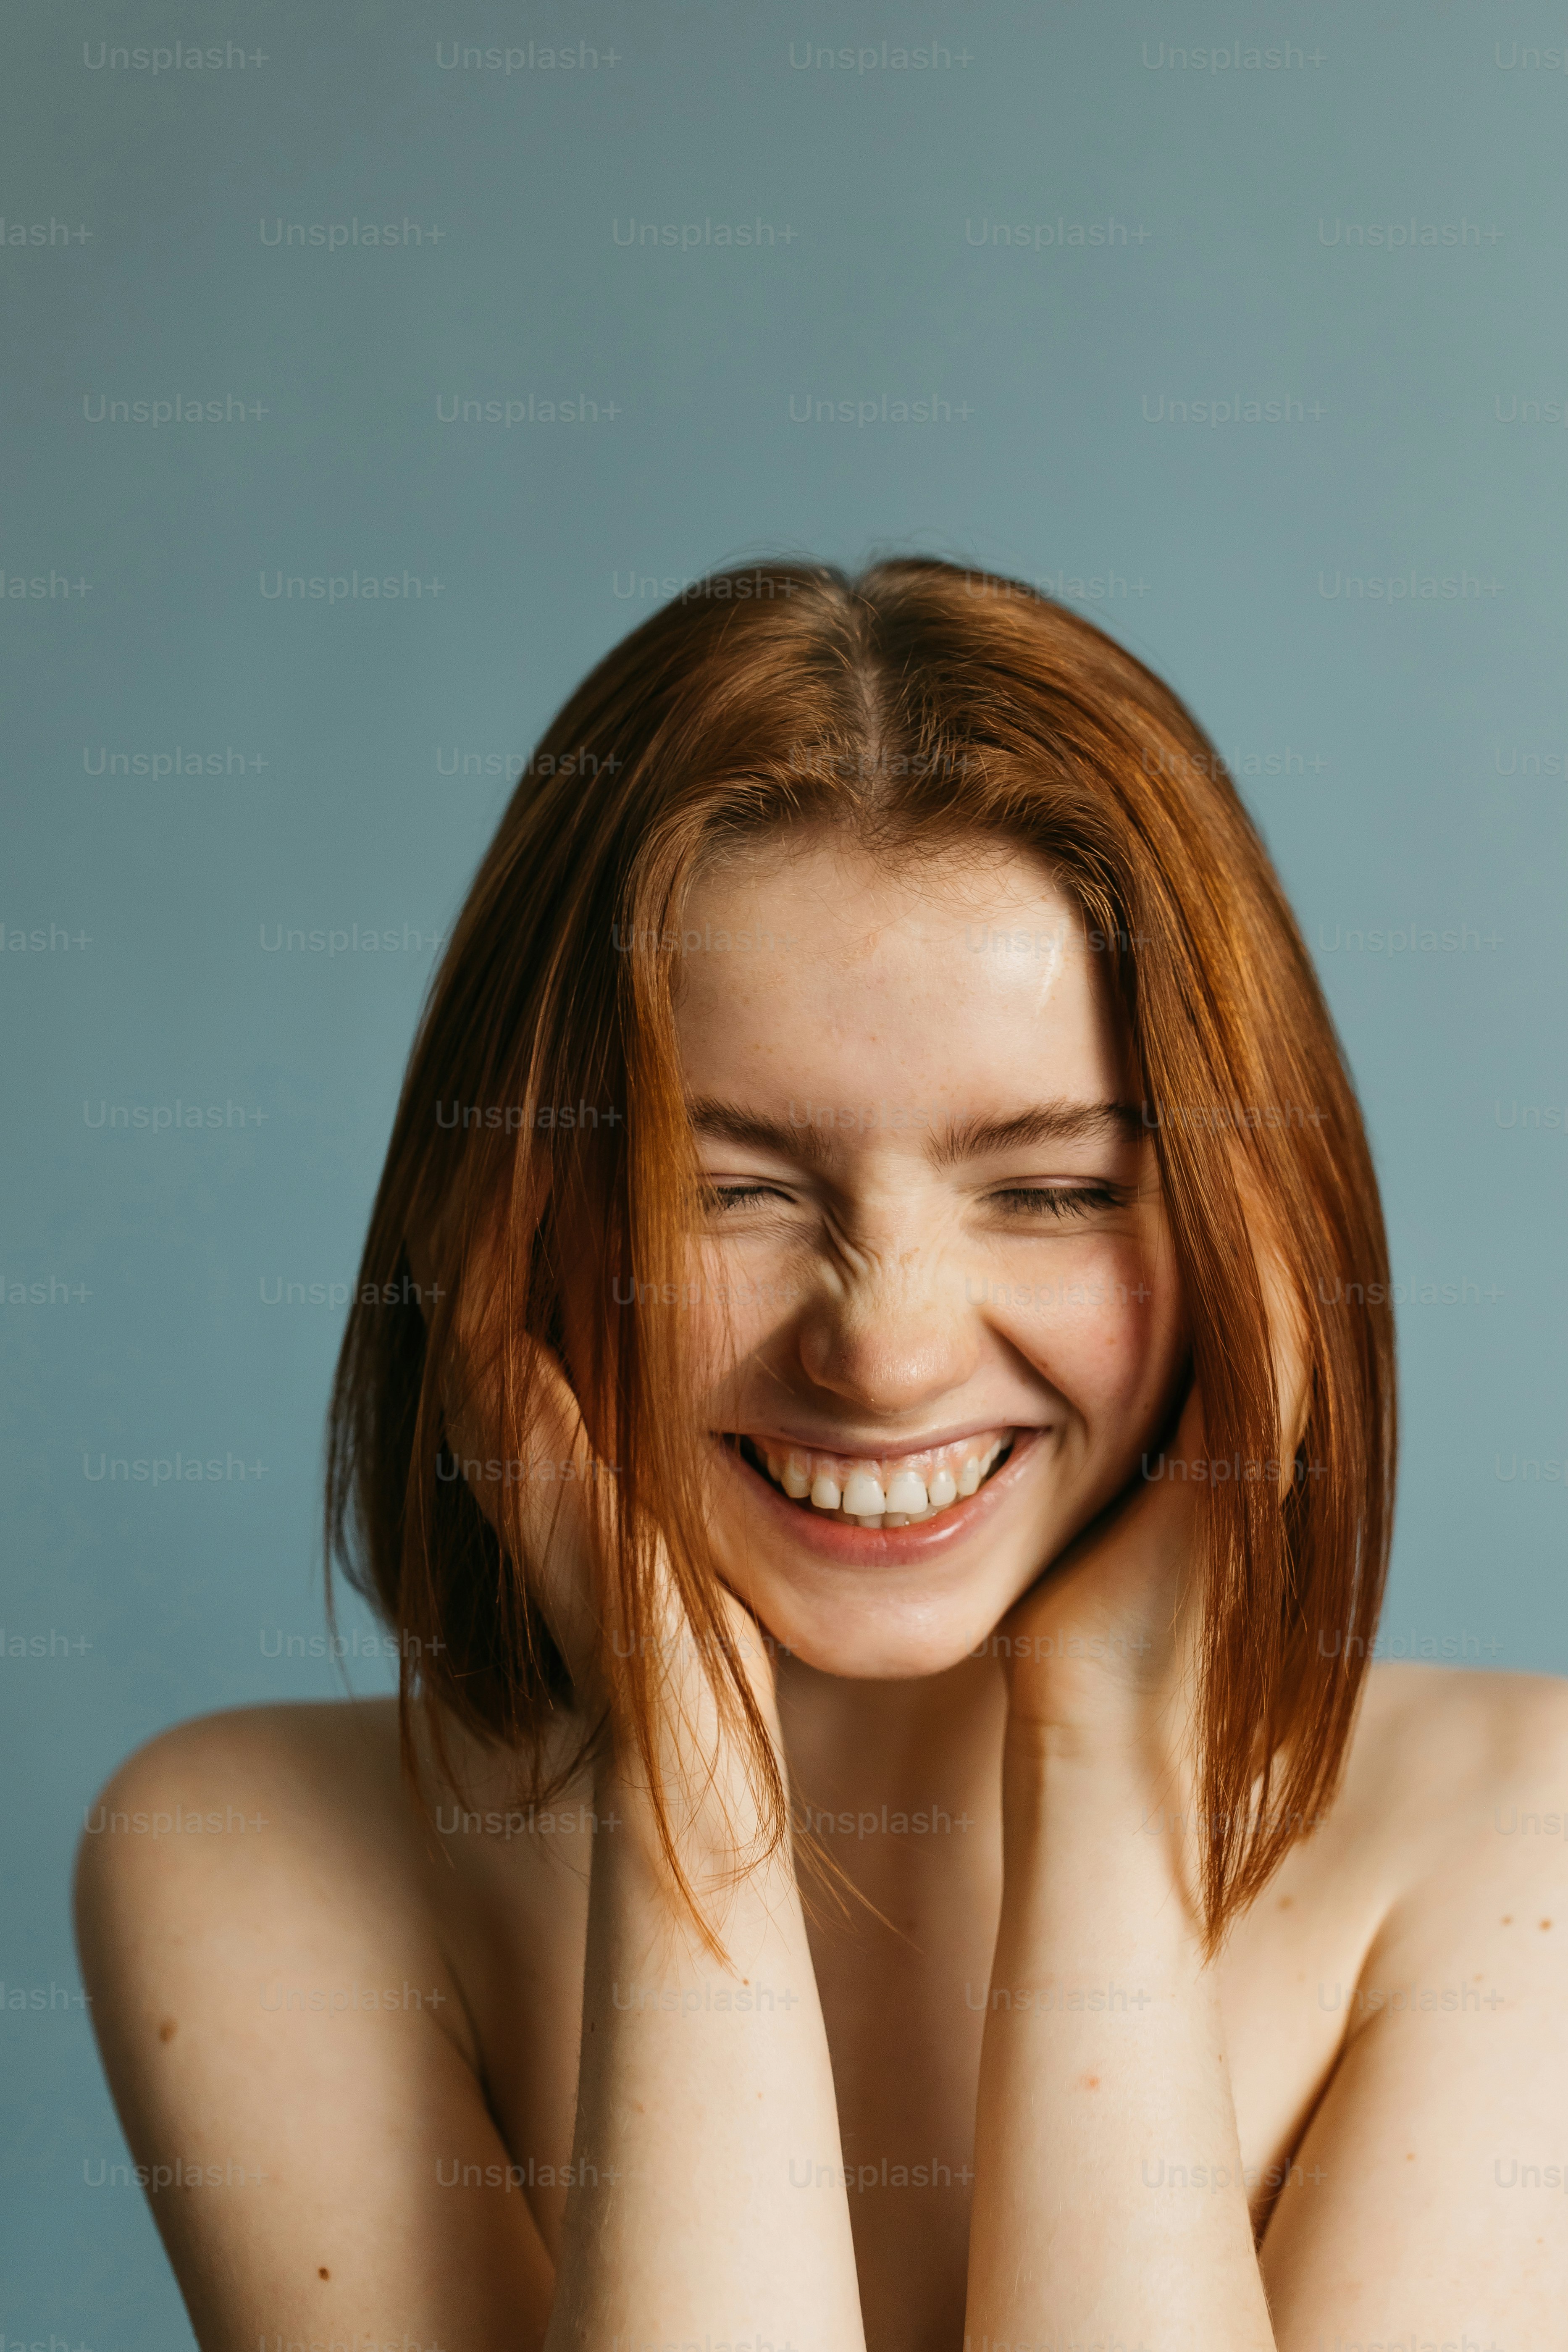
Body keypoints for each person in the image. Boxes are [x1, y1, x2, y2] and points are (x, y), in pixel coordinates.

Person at [76, 560, 1567, 2352]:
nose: (885, 1345)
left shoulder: (1519, 1841)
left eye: (1052, 1189)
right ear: (510, 1228)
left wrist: (1099, 1756)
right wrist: (691, 1790)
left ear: (1253, 1231)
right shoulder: (246, 1856)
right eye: (732, 1192)